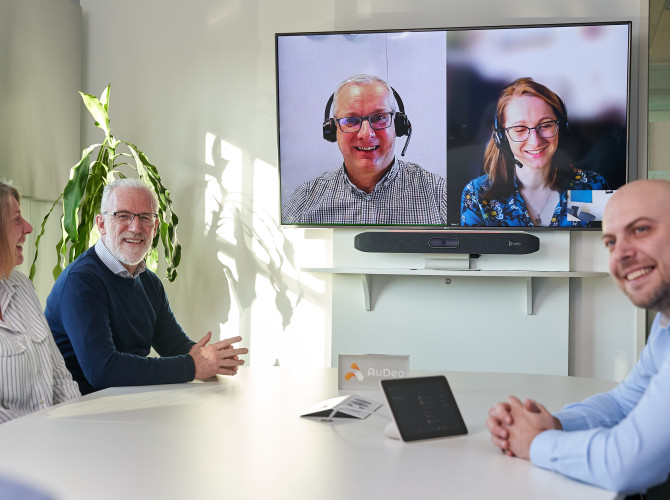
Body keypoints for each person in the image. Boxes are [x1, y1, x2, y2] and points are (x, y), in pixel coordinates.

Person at [486, 179, 670, 496]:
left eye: (640, 230)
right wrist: (552, 425)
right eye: (610, 242)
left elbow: (627, 463)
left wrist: (535, 442)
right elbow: (625, 402)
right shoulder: (666, 322)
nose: (621, 254)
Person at [45, 178, 248, 395]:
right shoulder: (81, 281)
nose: (136, 227)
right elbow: (102, 371)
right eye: (122, 216)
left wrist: (212, 358)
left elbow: (174, 345)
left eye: (145, 218)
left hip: (127, 404)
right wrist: (192, 365)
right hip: (82, 413)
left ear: (155, 227)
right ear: (101, 224)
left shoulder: (149, 282)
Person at [282, 74, 447, 225]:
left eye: (380, 118)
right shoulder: (305, 200)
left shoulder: (440, 195)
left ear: (398, 125)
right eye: (351, 120)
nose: (366, 134)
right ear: (332, 130)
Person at [460, 77, 610, 227]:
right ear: (503, 137)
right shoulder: (477, 195)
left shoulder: (589, 187)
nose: (535, 141)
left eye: (545, 125)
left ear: (561, 129)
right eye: (520, 129)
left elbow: (594, 248)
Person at [0, 181, 80, 422]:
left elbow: (59, 374)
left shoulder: (22, 286)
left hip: (50, 438)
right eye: (16, 220)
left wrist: (78, 422)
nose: (28, 227)